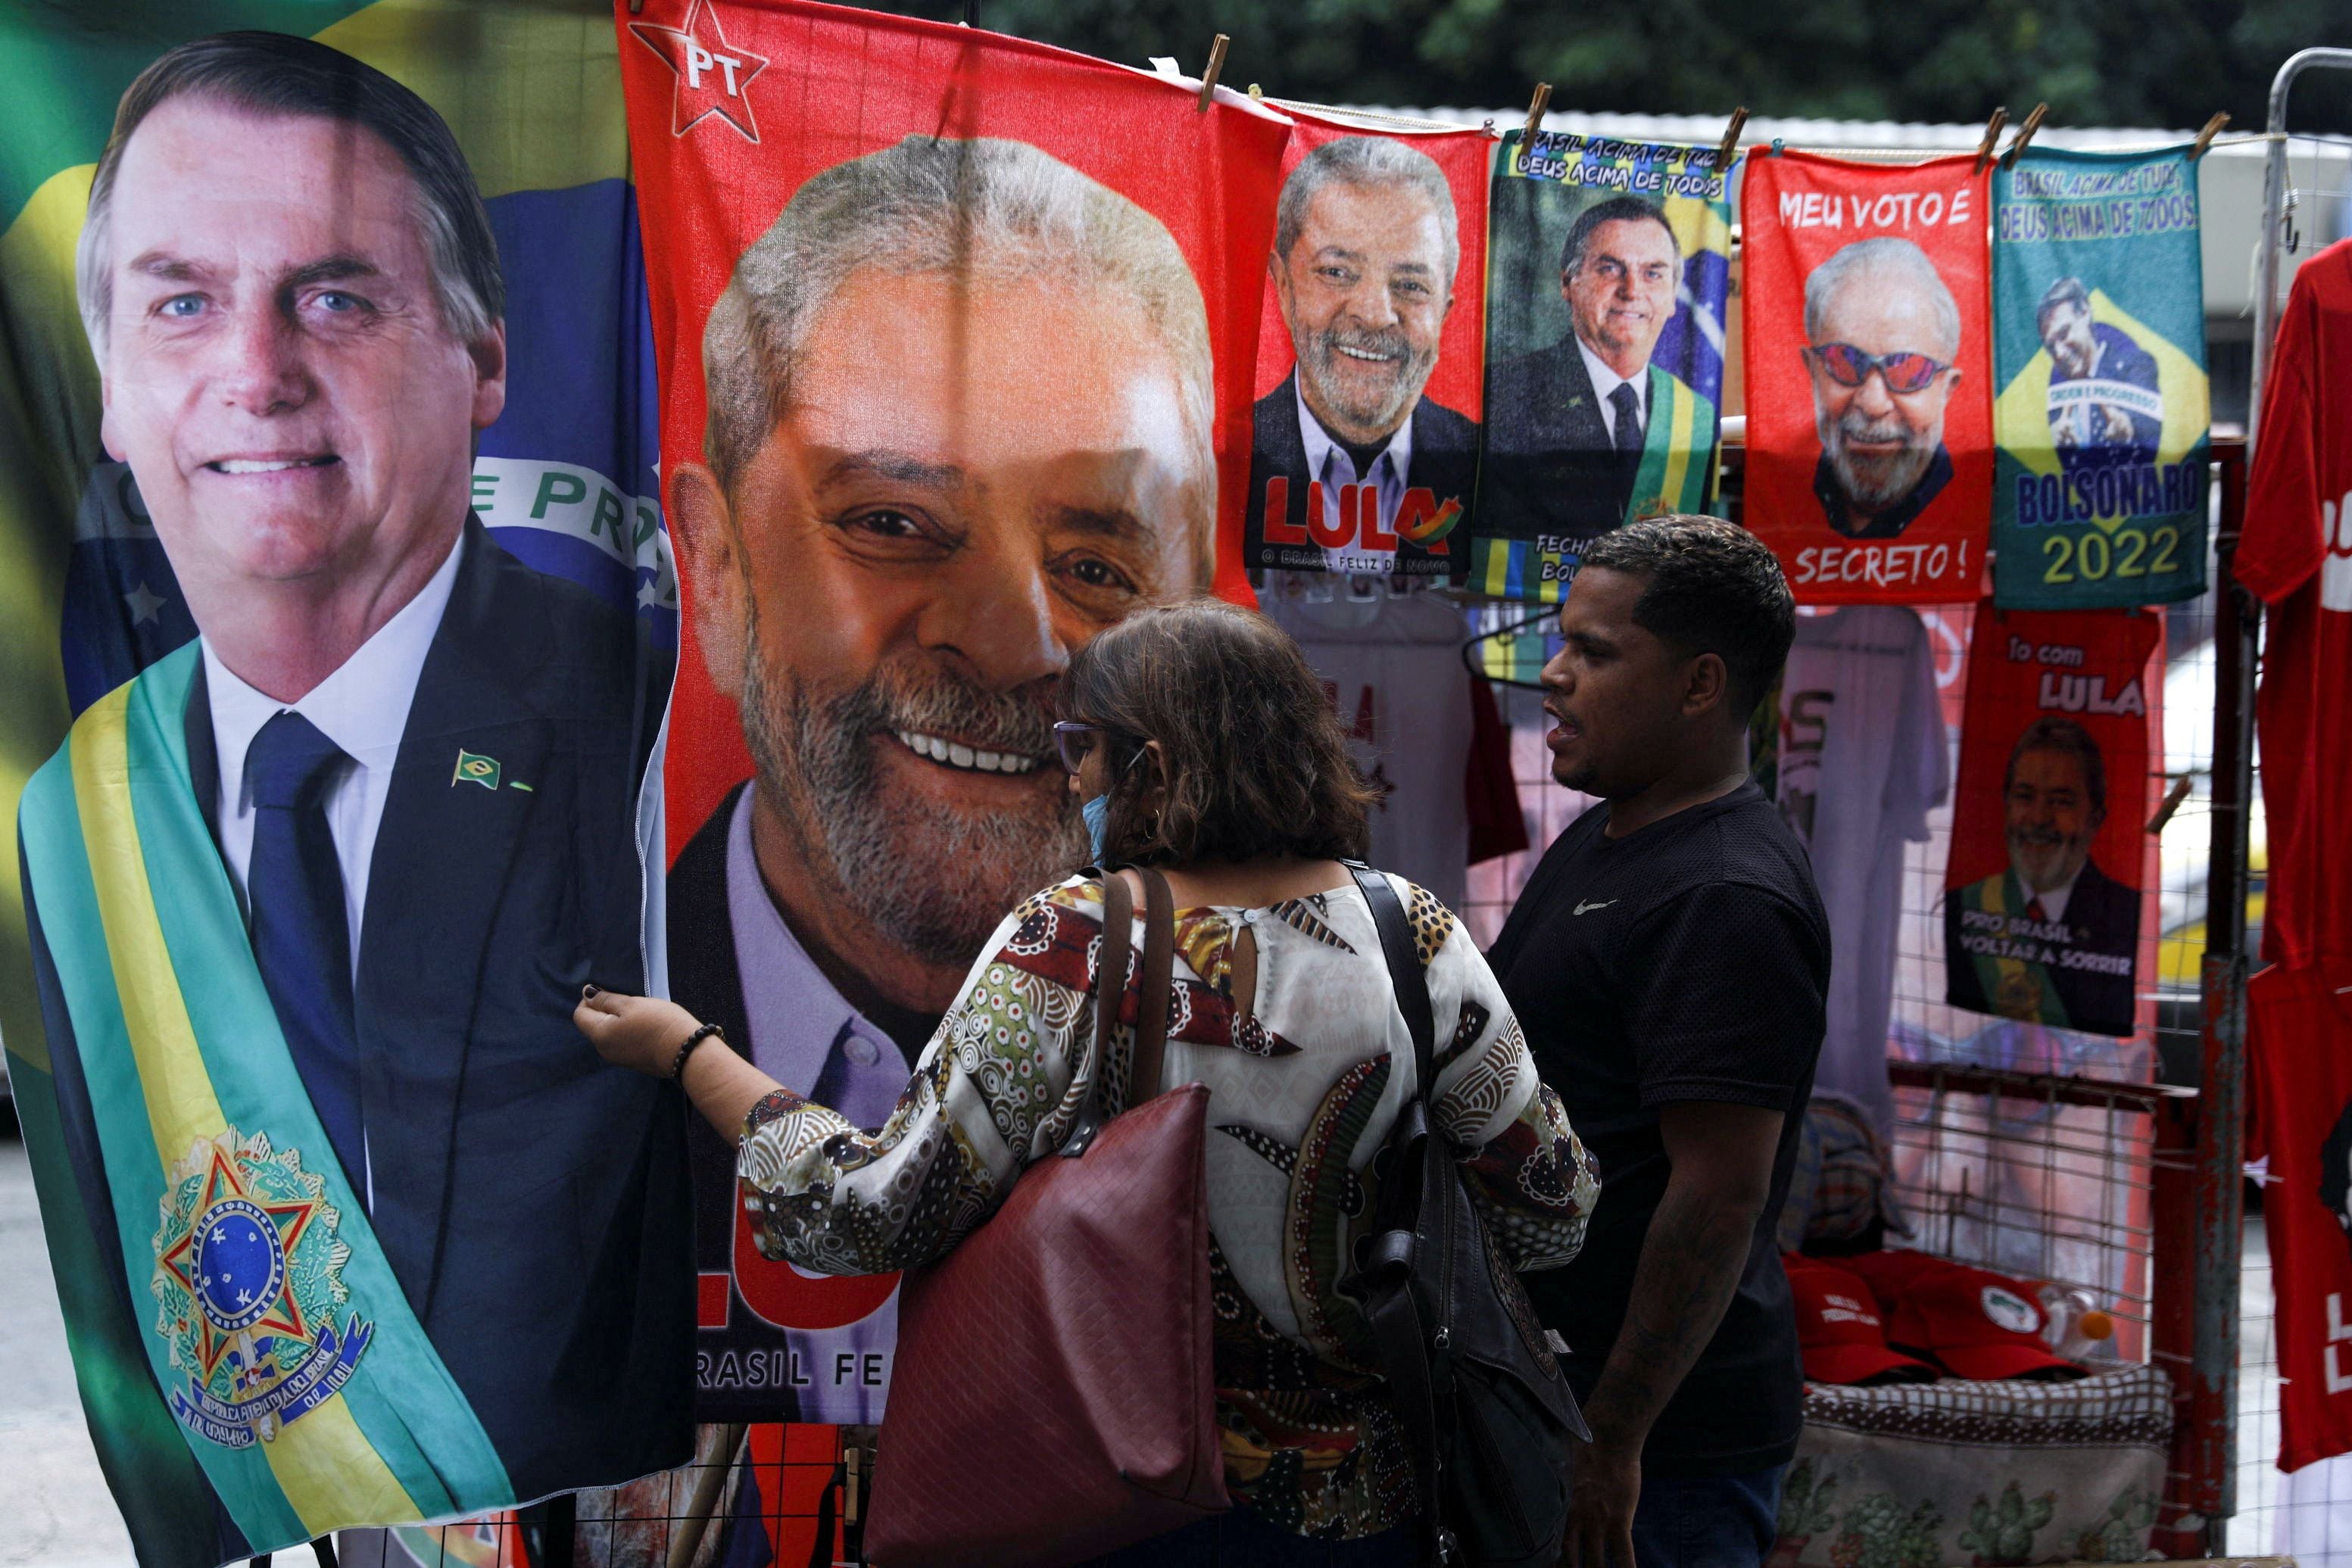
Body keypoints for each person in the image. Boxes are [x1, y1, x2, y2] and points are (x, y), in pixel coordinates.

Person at [19, 31, 690, 1520]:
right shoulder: (76, 810)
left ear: (485, 358)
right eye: (180, 304)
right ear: (114, 396)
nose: (256, 376)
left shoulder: (642, 718)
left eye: (333, 297)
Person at [579, 598, 1602, 1561]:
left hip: (1115, 1496)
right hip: (1370, 1508)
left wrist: (690, 1053)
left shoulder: (1076, 939)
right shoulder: (1414, 935)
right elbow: (1552, 1211)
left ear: (1151, 769)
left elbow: (870, 1214)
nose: (1071, 781)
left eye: (1083, 749)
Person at [661, 133, 1221, 1416]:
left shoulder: (1277, 1035)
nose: (1017, 642)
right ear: (718, 571)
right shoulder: (518, 1053)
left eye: (1096, 566)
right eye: (894, 525)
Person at [1484, 516, 1828, 1568]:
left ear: (1698, 684)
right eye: (1562, 641)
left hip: (1660, 1460)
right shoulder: (1611, 827)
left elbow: (1719, 1193)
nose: (1553, 674)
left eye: (1593, 651)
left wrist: (1615, 1437)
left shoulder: (1723, 894)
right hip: (1555, 1405)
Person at [1248, 136, 1476, 569]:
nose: (1375, 315)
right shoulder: (1224, 462)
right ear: (1282, 285)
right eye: (1337, 272)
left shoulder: (1492, 467)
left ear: (1444, 313)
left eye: (1411, 285)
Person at [1483, 196, 1717, 541]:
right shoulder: (1504, 394)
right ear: (1568, 283)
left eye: (1653, 274)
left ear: (1671, 298)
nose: (1632, 290)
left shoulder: (1696, 415)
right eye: (1610, 269)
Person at [1945, 716, 2139, 1034]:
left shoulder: (2124, 913)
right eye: (2025, 796)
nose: (2038, 818)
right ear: (2006, 805)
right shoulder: (1964, 906)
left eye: (2061, 801)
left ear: (2095, 819)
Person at [1801, 236, 1966, 540]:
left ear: (1948, 388)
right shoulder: (1783, 495)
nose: (1874, 404)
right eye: (1846, 361)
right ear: (1812, 370)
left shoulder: (1975, 506)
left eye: (1908, 370)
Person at [2038, 275, 2164, 469]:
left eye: (2064, 334)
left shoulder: (2136, 364)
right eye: (2051, 347)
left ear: (2085, 313)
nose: (2060, 353)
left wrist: (2128, 427)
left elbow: (2148, 425)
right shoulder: (2056, 404)